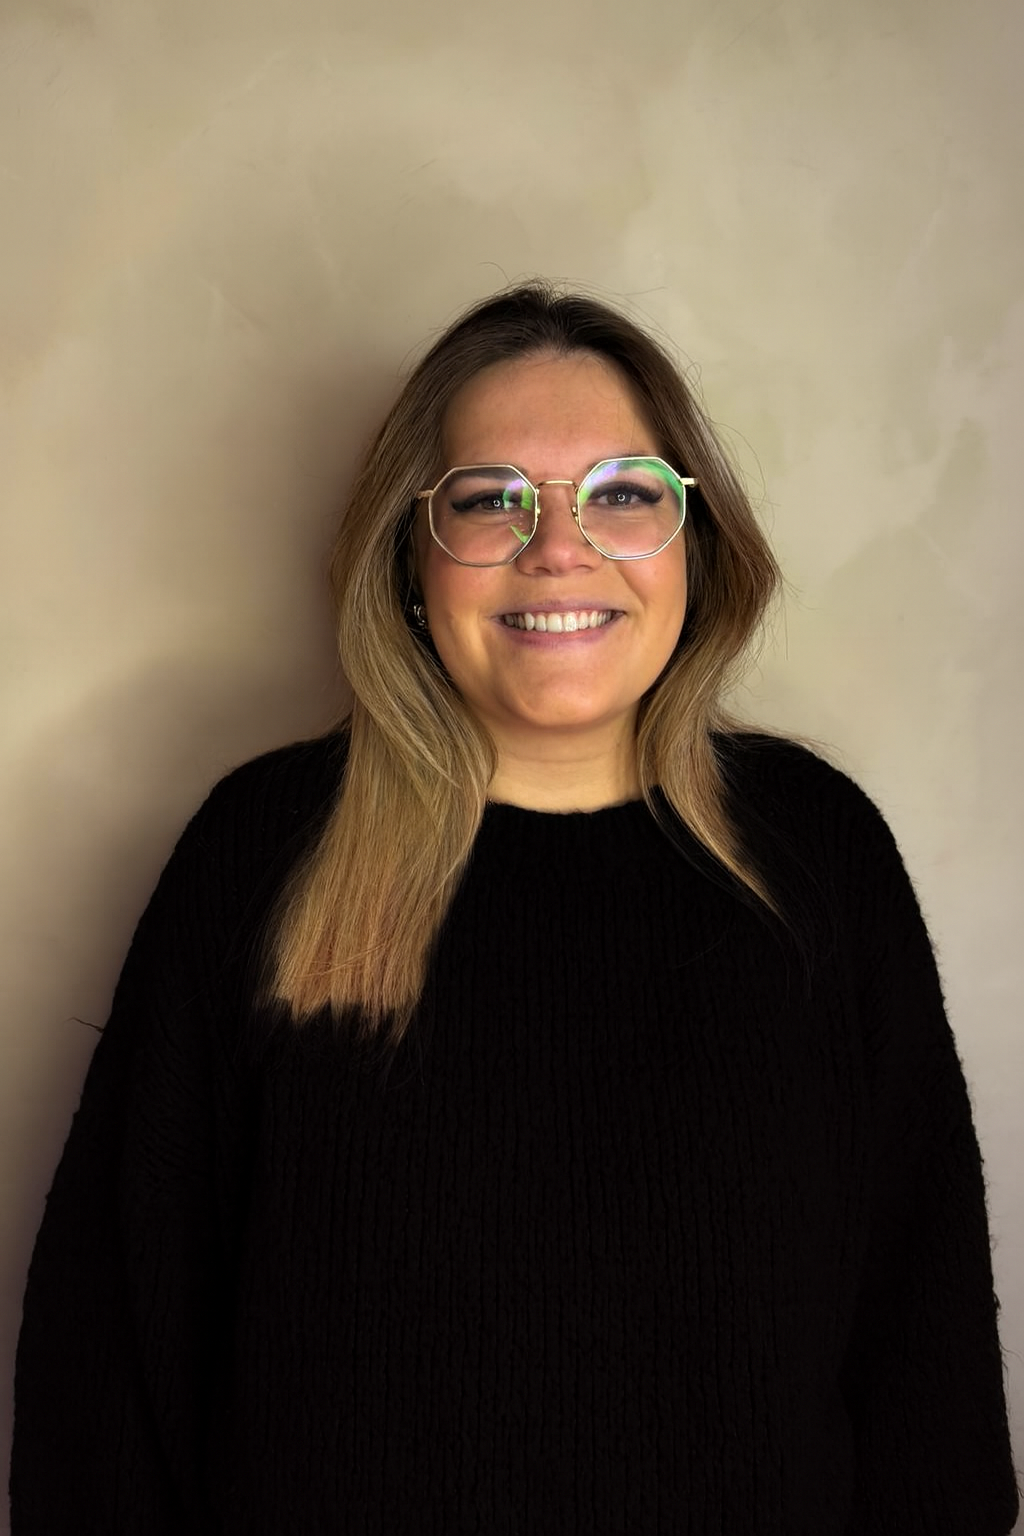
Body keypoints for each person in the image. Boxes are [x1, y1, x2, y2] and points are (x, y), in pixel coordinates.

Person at [10, 283, 1019, 1535]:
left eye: (623, 493)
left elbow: (926, 1367)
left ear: (693, 543)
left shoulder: (816, 857)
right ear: (410, 558)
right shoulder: (262, 853)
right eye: (490, 500)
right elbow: (104, 1369)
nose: (559, 548)